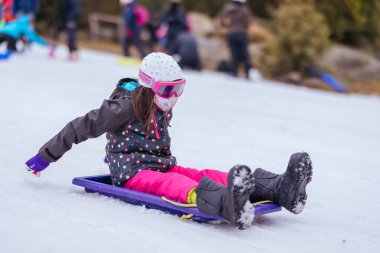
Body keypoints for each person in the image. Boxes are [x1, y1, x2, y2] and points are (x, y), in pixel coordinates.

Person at [25, 52, 313, 229]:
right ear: (149, 85)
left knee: (200, 174)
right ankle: (225, 201)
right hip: (132, 174)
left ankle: (276, 187)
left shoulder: (160, 105)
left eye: (178, 90)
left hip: (160, 165)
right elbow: (80, 127)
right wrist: (45, 155)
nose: (173, 97)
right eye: (167, 90)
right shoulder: (124, 106)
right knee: (172, 184)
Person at [218, 0, 253, 79]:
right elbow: (249, 21)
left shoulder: (228, 7)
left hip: (231, 33)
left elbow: (221, 19)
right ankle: (247, 73)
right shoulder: (244, 8)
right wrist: (244, 28)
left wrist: (227, 26)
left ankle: (234, 72)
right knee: (245, 54)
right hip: (242, 33)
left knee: (234, 54)